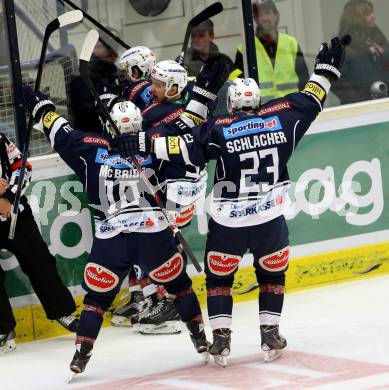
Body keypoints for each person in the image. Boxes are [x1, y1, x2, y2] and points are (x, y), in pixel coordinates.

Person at [124, 37, 345, 366]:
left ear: (230, 103)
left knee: (219, 281)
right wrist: (325, 73)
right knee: (272, 277)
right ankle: (270, 334)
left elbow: (179, 146)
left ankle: (221, 342)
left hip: (229, 225)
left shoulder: (219, 128)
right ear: (258, 100)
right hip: (270, 222)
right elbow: (311, 100)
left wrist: (137, 140)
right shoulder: (282, 117)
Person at [20, 68, 226, 373]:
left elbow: (55, 126)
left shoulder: (88, 147)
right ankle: (198, 337)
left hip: (110, 238)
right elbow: (189, 130)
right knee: (179, 286)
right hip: (153, 236)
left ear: (108, 123)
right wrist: (202, 97)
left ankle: (82, 353)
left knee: (96, 299)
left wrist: (37, 104)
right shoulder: (155, 141)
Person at [0, 132, 79, 355]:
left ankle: (62, 310)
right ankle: (3, 329)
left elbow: (23, 167)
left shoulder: (0, 139)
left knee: (40, 262)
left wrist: (9, 197)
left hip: (16, 214)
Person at [230, 0, 309, 103]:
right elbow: (236, 86)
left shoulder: (291, 43)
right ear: (255, 19)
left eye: (267, 13)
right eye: (259, 15)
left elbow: (304, 80)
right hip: (261, 114)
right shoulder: (244, 49)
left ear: (276, 16)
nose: (264, 18)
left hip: (290, 110)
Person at [332, 0, 389, 104]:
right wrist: (357, 102)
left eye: (372, 13)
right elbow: (335, 80)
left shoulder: (379, 40)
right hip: (359, 109)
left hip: (385, 102)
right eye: (367, 14)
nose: (373, 16)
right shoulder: (341, 47)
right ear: (355, 18)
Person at [69, 28, 121, 132]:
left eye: (116, 46)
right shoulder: (83, 76)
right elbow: (84, 113)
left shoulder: (113, 72)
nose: (114, 52)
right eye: (109, 47)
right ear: (96, 45)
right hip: (92, 135)